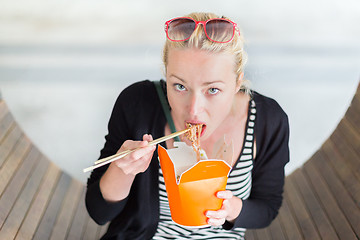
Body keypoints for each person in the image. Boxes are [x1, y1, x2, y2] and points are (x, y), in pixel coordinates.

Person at [86, 12, 289, 240]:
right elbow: (98, 213)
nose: (193, 110)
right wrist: (122, 170)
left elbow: (267, 208)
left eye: (212, 90)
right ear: (166, 74)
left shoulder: (268, 120)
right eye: (180, 86)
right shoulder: (137, 103)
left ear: (237, 82)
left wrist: (231, 209)